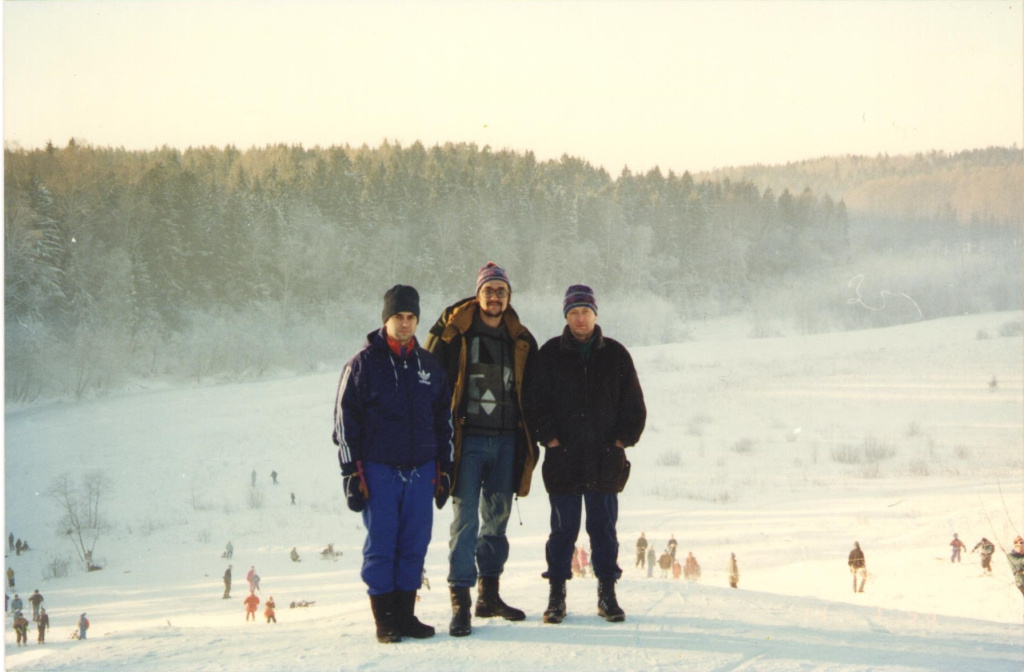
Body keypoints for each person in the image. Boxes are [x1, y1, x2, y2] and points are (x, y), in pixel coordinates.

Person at [333, 284, 455, 644]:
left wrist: (444, 468)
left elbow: (443, 420)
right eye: (398, 317)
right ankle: (385, 619)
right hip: (379, 468)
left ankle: (406, 616)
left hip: (421, 469)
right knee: (382, 543)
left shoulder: (429, 366)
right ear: (386, 320)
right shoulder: (363, 364)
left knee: (415, 543)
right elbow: (344, 420)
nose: (405, 324)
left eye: (411, 317)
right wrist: (350, 474)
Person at [423, 262, 537, 637]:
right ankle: (461, 603)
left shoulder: (520, 338)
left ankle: (489, 594)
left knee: (497, 519)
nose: (494, 298)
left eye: (501, 291)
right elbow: (429, 379)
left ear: (509, 297)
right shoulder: (457, 334)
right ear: (478, 293)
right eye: (489, 291)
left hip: (507, 440)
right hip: (468, 439)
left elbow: (534, 393)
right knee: (465, 520)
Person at [528, 285, 646, 624]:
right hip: (563, 457)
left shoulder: (616, 354)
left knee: (603, 528)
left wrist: (621, 443)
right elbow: (535, 404)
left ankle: (607, 593)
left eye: (586, 311)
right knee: (563, 530)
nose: (580, 318)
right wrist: (549, 440)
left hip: (605, 459)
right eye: (574, 312)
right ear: (566, 316)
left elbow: (634, 405)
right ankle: (556, 597)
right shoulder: (550, 354)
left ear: (596, 314)